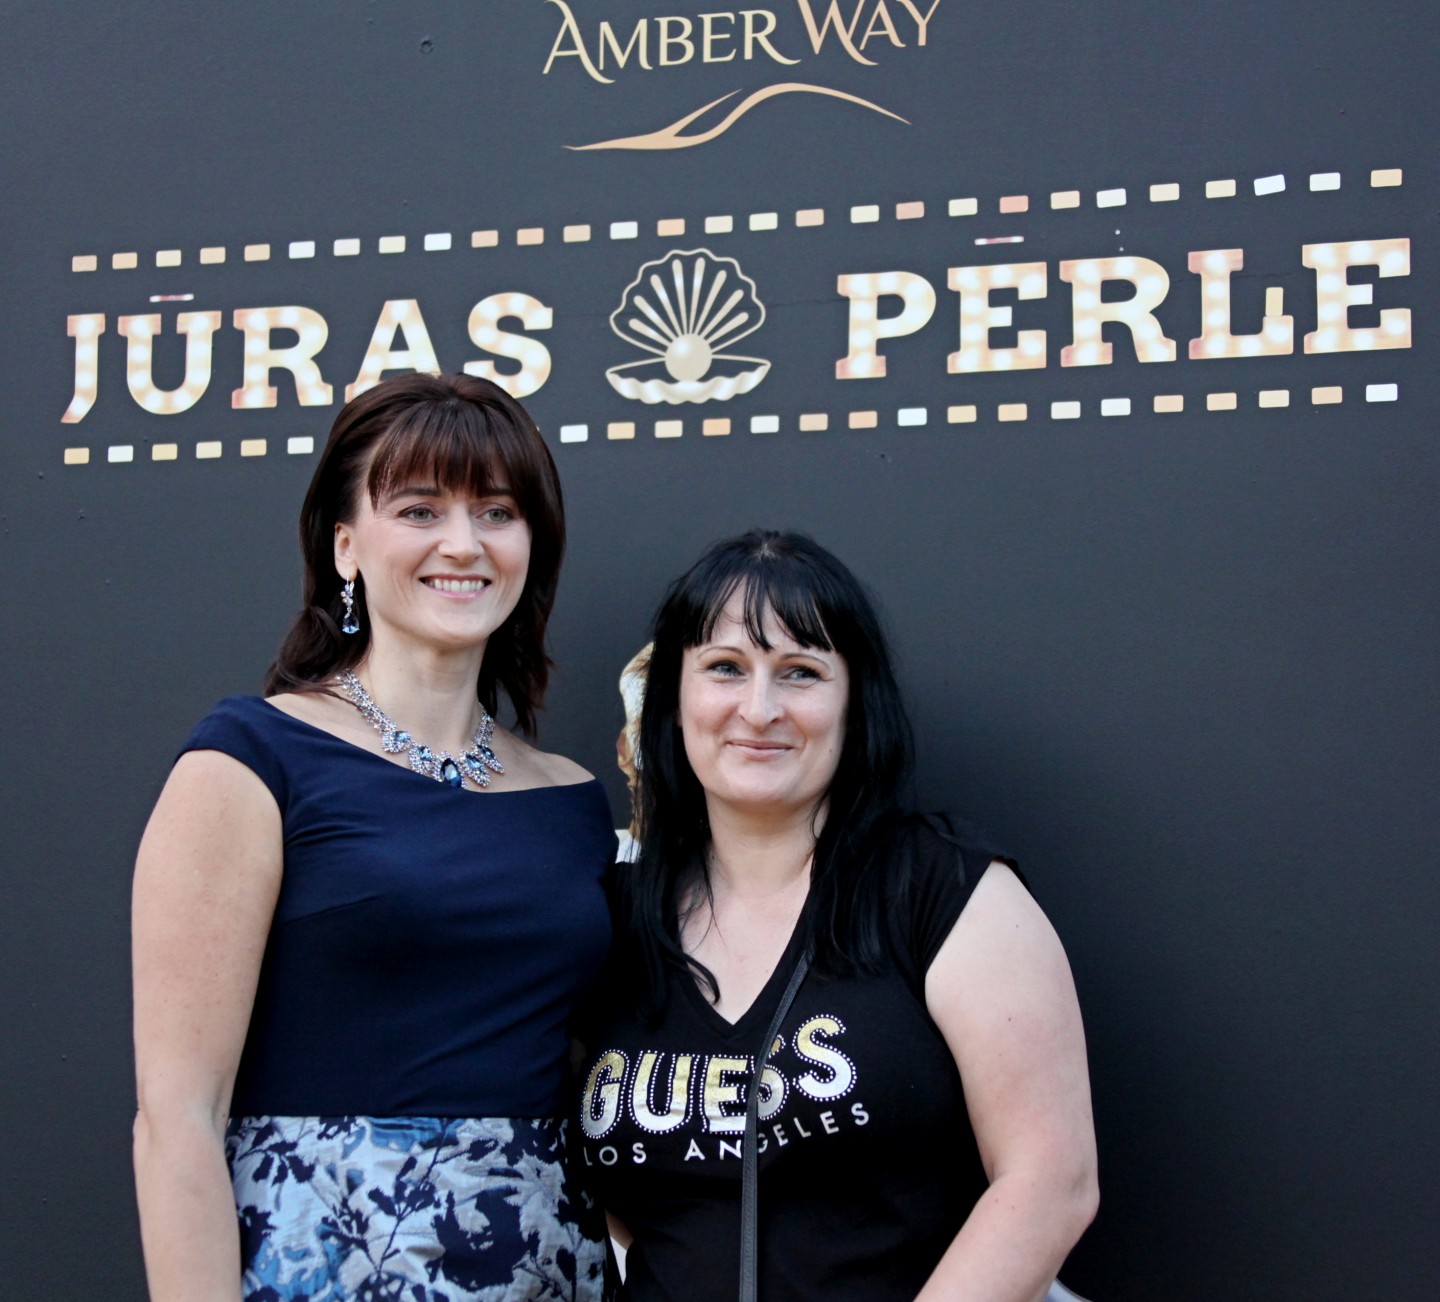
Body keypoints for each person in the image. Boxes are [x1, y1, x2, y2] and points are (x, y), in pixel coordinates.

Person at [132, 373, 613, 1301]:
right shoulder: (252, 758)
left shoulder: (573, 800)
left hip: (549, 1269)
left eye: (498, 512)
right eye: (420, 510)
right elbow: (177, 1117)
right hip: (318, 1264)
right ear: (345, 545)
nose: (464, 543)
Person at [578, 530, 1098, 1301]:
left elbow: (1051, 1181)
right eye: (725, 668)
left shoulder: (941, 888)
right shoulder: (615, 916)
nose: (760, 709)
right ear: (673, 702)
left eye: (801, 672)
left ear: (855, 704)